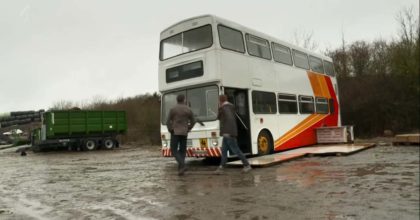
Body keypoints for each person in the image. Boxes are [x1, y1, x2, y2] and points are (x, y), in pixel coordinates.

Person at [215, 95, 251, 174]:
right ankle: (221, 167)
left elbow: (218, 117)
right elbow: (230, 118)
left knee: (236, 150)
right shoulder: (231, 107)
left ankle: (247, 165)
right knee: (224, 150)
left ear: (220, 101)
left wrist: (219, 109)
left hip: (228, 133)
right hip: (230, 133)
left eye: (219, 101)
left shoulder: (222, 108)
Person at [166, 94, 195, 176]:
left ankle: (183, 165)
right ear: (184, 100)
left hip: (175, 132)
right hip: (184, 132)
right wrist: (189, 128)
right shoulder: (188, 109)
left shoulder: (173, 109)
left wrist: (170, 129)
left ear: (177, 100)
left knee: (173, 150)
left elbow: (168, 121)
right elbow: (194, 120)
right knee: (182, 151)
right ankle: (180, 170)